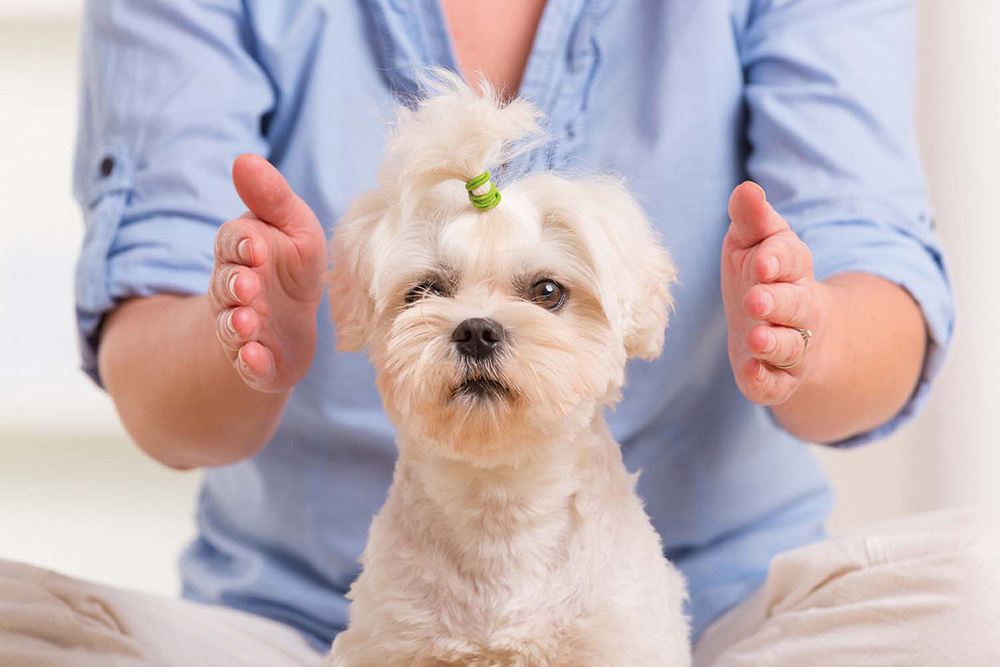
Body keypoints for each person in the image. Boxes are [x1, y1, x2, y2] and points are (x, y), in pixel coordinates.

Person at [2, 1, 997, 665]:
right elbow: (163, 389)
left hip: (725, 613)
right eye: (431, 290)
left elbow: (877, 271)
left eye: (544, 293)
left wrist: (804, 332)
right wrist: (249, 341)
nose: (476, 326)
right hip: (290, 619)